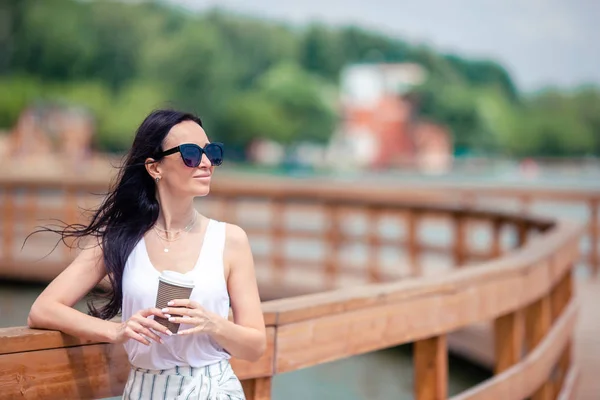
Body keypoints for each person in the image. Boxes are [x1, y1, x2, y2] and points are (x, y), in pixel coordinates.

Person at [27, 109, 266, 399]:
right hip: (144, 389)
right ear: (155, 167)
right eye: (191, 154)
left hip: (213, 388)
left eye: (212, 152)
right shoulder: (119, 238)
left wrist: (213, 323)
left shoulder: (230, 239)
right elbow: (43, 309)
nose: (205, 163)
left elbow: (255, 346)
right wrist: (116, 331)